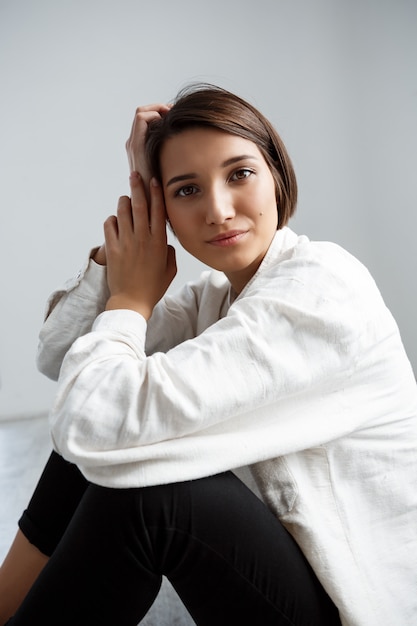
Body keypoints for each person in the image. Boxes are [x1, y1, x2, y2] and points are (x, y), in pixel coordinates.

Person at [0, 84, 416, 626]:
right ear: (165, 209)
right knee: (106, 425)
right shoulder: (216, 299)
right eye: (187, 190)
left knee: (152, 494)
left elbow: (93, 417)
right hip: (293, 583)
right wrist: (132, 227)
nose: (218, 210)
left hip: (354, 608)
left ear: (277, 174)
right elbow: (65, 361)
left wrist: (130, 299)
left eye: (239, 174)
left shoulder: (321, 289)